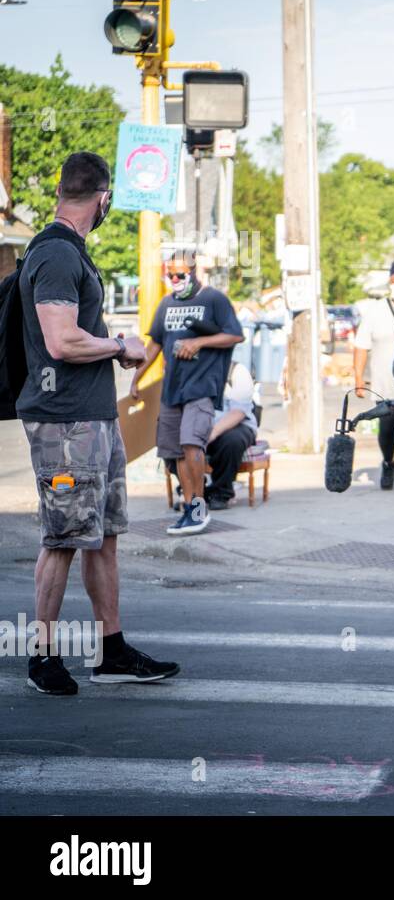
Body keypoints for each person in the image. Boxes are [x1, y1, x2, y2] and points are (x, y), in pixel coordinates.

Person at [15, 150, 179, 694]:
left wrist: (115, 353)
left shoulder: (71, 253)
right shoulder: (57, 254)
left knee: (103, 536)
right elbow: (60, 340)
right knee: (62, 537)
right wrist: (119, 345)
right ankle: (42, 656)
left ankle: (111, 651)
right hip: (64, 423)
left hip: (93, 417)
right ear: (103, 199)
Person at [131, 255, 244, 536]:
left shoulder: (213, 299)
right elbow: (154, 344)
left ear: (196, 272)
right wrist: (136, 378)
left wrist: (199, 342)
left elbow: (235, 335)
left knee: (192, 444)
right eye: (171, 275)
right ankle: (189, 506)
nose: (176, 280)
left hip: (202, 387)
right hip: (172, 389)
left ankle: (199, 507)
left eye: (181, 275)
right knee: (176, 451)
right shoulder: (167, 303)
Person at [354, 260, 394, 493]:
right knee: (387, 430)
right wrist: (359, 380)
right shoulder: (375, 310)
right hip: (384, 383)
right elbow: (361, 346)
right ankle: (388, 463)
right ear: (389, 283)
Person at [204, 361, 260, 510]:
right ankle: (194, 491)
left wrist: (213, 432)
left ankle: (221, 493)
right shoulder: (193, 369)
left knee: (231, 441)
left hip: (237, 424)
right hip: (200, 423)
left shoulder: (237, 371)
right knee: (169, 439)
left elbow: (238, 412)